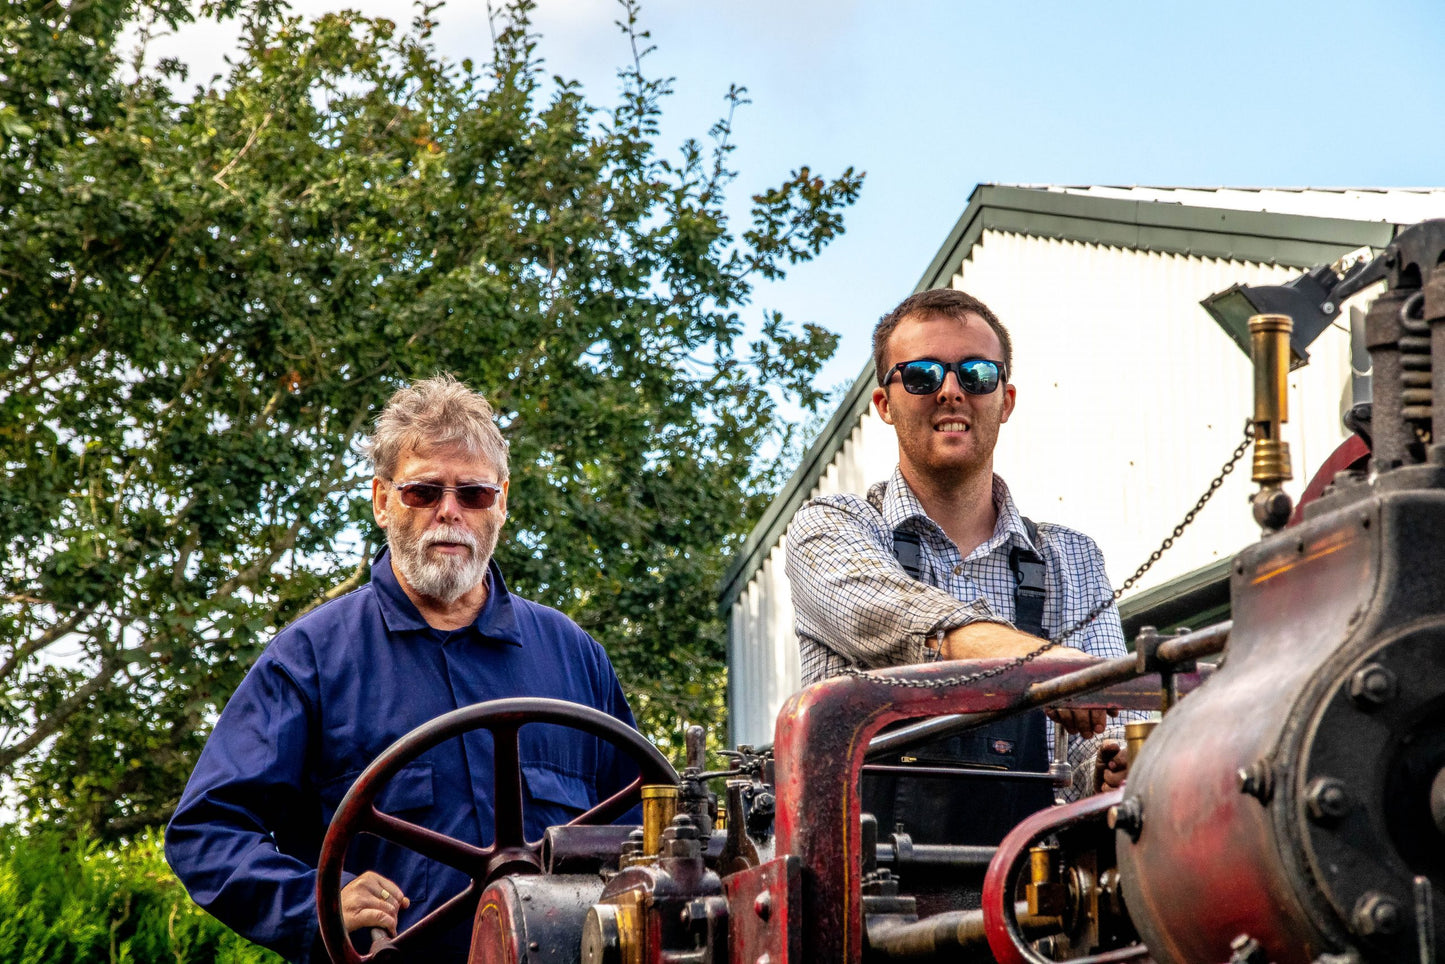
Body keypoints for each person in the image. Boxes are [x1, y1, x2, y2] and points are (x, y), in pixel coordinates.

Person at [166, 375, 640, 963]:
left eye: (474, 493)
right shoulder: (310, 659)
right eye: (423, 492)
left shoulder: (574, 656)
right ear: (382, 501)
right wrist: (318, 903)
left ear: (502, 503)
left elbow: (646, 828)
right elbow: (207, 834)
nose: (450, 512)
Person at [784, 288, 1134, 844]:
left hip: (1033, 900)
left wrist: (1111, 763)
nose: (951, 391)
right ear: (884, 404)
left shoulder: (1073, 558)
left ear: (1006, 399)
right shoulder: (832, 528)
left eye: (976, 373)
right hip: (866, 904)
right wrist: (1048, 667)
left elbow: (1105, 728)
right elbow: (896, 618)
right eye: (921, 375)